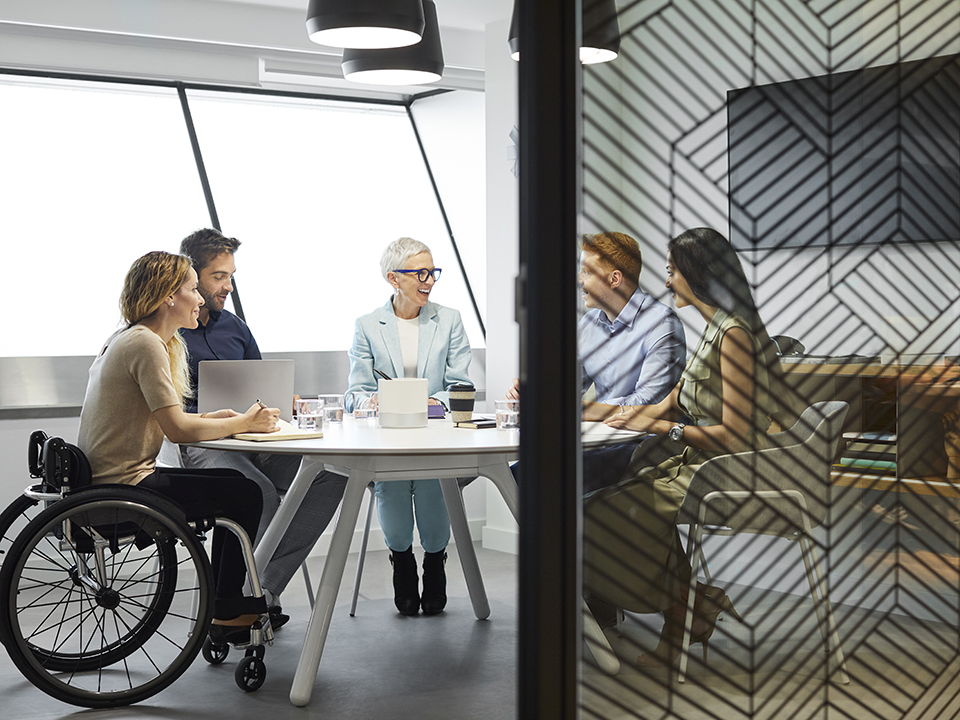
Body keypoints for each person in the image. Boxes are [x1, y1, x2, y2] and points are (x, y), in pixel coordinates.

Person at [582, 227, 789, 667]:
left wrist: (666, 432)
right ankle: (690, 607)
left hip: (724, 469)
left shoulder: (734, 337)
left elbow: (734, 435)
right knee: (611, 502)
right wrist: (626, 416)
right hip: (696, 462)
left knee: (598, 513)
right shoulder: (715, 329)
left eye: (673, 271)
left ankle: (684, 607)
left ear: (697, 274)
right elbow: (672, 400)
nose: (667, 281)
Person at [77, 251, 281, 643]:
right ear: (169, 295)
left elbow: (166, 420)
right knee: (245, 492)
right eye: (192, 289)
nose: (201, 299)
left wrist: (216, 418)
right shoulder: (146, 344)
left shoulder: (130, 338)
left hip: (111, 478)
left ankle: (225, 602)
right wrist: (244, 422)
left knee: (233, 489)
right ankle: (226, 606)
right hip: (127, 485)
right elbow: (177, 430)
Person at [177, 228, 347, 628]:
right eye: (219, 276)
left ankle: (262, 590)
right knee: (258, 491)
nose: (228, 286)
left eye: (231, 276)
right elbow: (173, 415)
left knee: (332, 474)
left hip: (254, 436)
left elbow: (261, 383)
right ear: (192, 275)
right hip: (206, 442)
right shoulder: (171, 330)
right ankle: (235, 602)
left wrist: (285, 403)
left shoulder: (235, 327)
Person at [345, 237, 472, 616]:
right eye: (420, 273)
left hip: (434, 434)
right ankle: (401, 561)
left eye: (432, 271)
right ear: (393, 279)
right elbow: (356, 392)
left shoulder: (449, 320)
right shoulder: (368, 326)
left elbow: (460, 386)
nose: (429, 280)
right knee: (393, 487)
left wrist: (437, 401)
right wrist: (371, 401)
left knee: (434, 488)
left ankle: (435, 563)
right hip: (388, 436)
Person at [507, 231, 686, 492]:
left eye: (587, 272)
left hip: (643, 444)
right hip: (598, 440)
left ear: (615, 279)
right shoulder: (589, 323)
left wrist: (579, 410)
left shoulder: (662, 324)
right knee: (519, 474)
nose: (579, 280)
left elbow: (649, 401)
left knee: (535, 475)